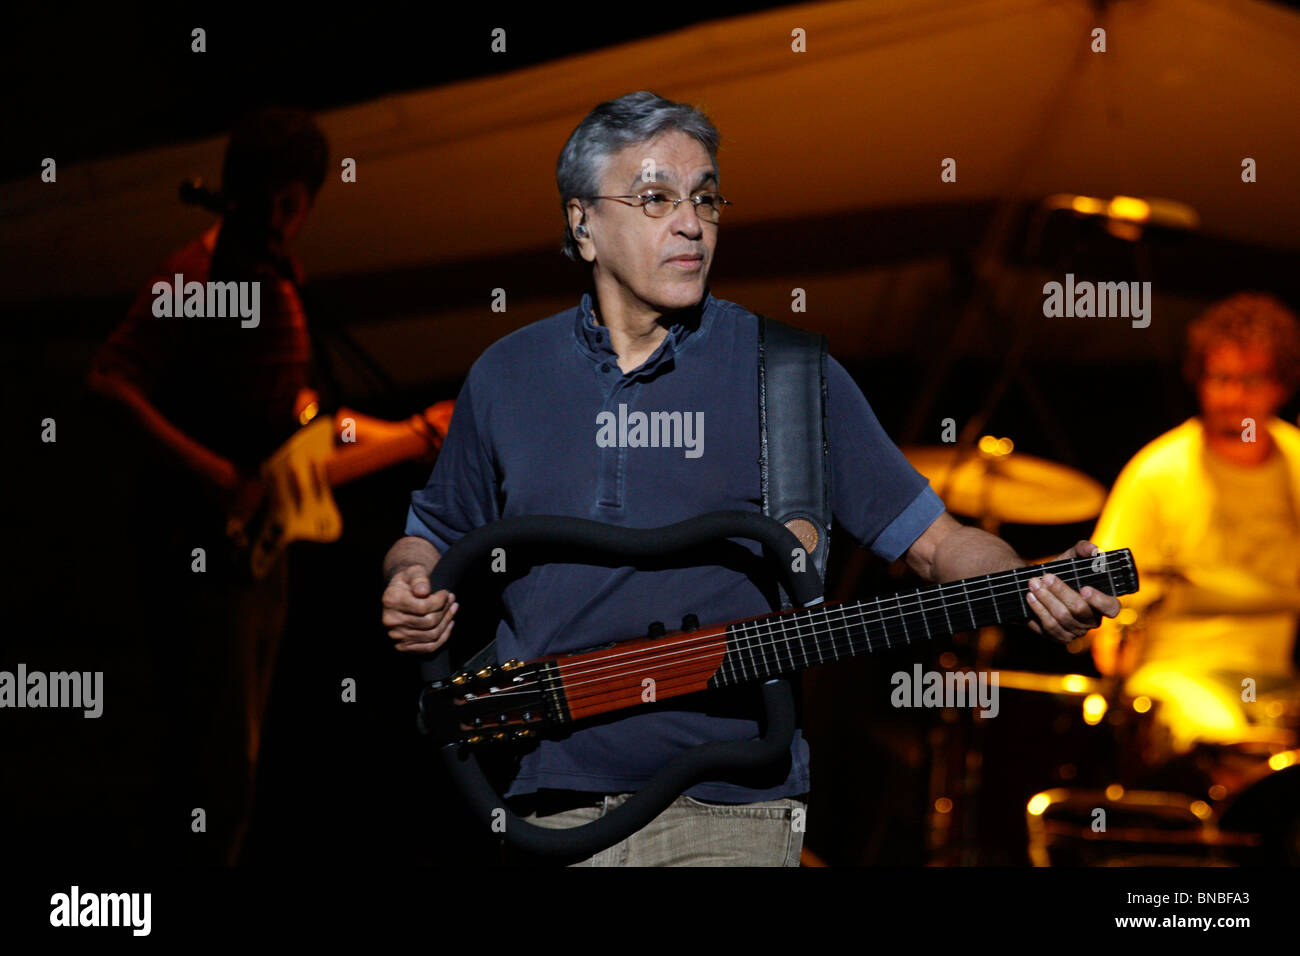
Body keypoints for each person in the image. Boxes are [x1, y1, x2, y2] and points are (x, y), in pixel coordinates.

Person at [381, 90, 1119, 867]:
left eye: (705, 198)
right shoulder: (506, 374)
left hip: (728, 812)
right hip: (540, 800)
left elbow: (938, 545)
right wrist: (409, 583)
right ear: (583, 224)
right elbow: (427, 535)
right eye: (657, 199)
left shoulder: (792, 376)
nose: (692, 224)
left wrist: (1031, 585)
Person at [87, 107, 332, 865]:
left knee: (247, 749)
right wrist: (209, 470)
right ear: (236, 191)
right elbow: (108, 380)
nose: (279, 219)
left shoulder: (277, 279)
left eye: (294, 203)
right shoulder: (194, 277)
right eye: (267, 199)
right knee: (215, 764)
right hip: (201, 550)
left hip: (259, 552)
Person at [1090, 293, 1300, 755]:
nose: (1232, 396)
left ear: (1281, 385)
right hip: (1180, 675)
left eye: (1250, 380)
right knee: (1224, 739)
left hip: (1278, 683)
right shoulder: (1160, 470)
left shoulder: (1296, 462)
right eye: (1220, 378)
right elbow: (1102, 592)